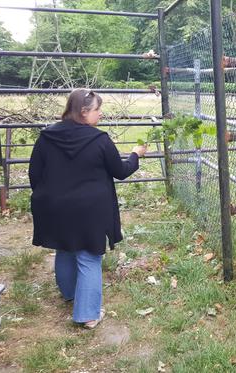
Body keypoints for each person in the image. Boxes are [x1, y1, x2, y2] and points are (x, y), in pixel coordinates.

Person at [28, 88, 147, 328]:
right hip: (89, 209)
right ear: (83, 112)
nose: (100, 114)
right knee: (89, 257)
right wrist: (135, 154)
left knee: (64, 248)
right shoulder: (99, 139)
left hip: (53, 206)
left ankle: (71, 294)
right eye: (97, 110)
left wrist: (51, 196)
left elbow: (34, 174)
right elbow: (121, 172)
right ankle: (88, 315)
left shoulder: (47, 136)